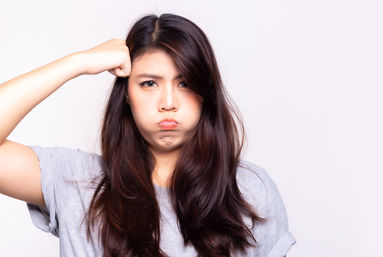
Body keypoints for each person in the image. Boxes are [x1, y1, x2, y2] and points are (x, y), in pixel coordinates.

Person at [0, 13, 295, 257]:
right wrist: (79, 62)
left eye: (185, 83)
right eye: (150, 83)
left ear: (206, 92)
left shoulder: (250, 191)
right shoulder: (77, 183)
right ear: (127, 93)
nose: (168, 102)